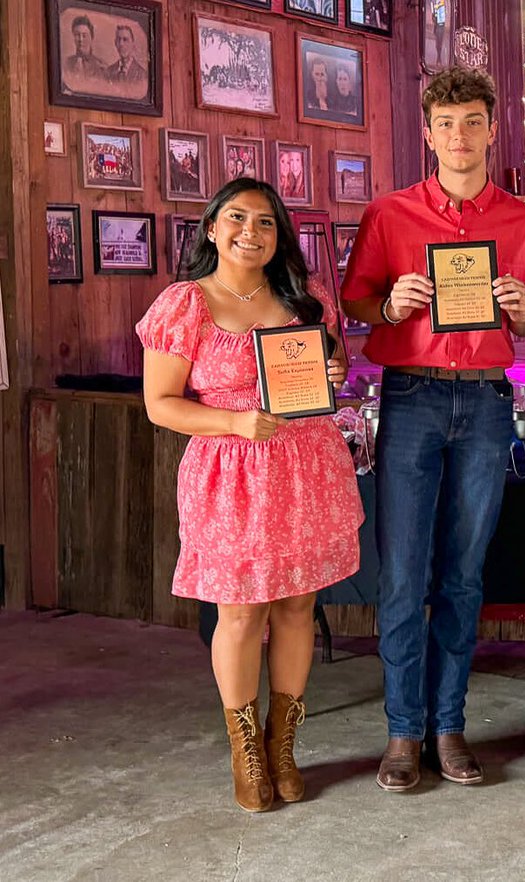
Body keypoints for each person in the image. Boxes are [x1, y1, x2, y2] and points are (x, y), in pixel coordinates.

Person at [341, 66, 525, 793]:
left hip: (487, 404)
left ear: (493, 129)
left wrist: (522, 308)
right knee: (402, 575)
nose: (459, 136)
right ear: (428, 134)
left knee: (463, 576)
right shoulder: (388, 216)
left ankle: (449, 725)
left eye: (472, 122)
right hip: (411, 402)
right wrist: (390, 305)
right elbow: (356, 305)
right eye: (446, 124)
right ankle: (403, 732)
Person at [136, 178, 363, 812]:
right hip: (230, 474)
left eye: (266, 223)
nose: (251, 232)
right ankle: (244, 749)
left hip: (307, 467)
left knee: (295, 608)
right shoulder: (184, 305)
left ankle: (282, 744)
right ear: (212, 228)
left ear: (279, 235)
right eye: (237, 218)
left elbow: (330, 372)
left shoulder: (305, 296)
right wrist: (237, 422)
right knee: (240, 614)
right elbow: (160, 405)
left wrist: (335, 371)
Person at [64, 15, 106, 82]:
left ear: (91, 37)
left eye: (84, 35)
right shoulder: (66, 64)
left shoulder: (101, 66)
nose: (80, 39)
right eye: (77, 35)